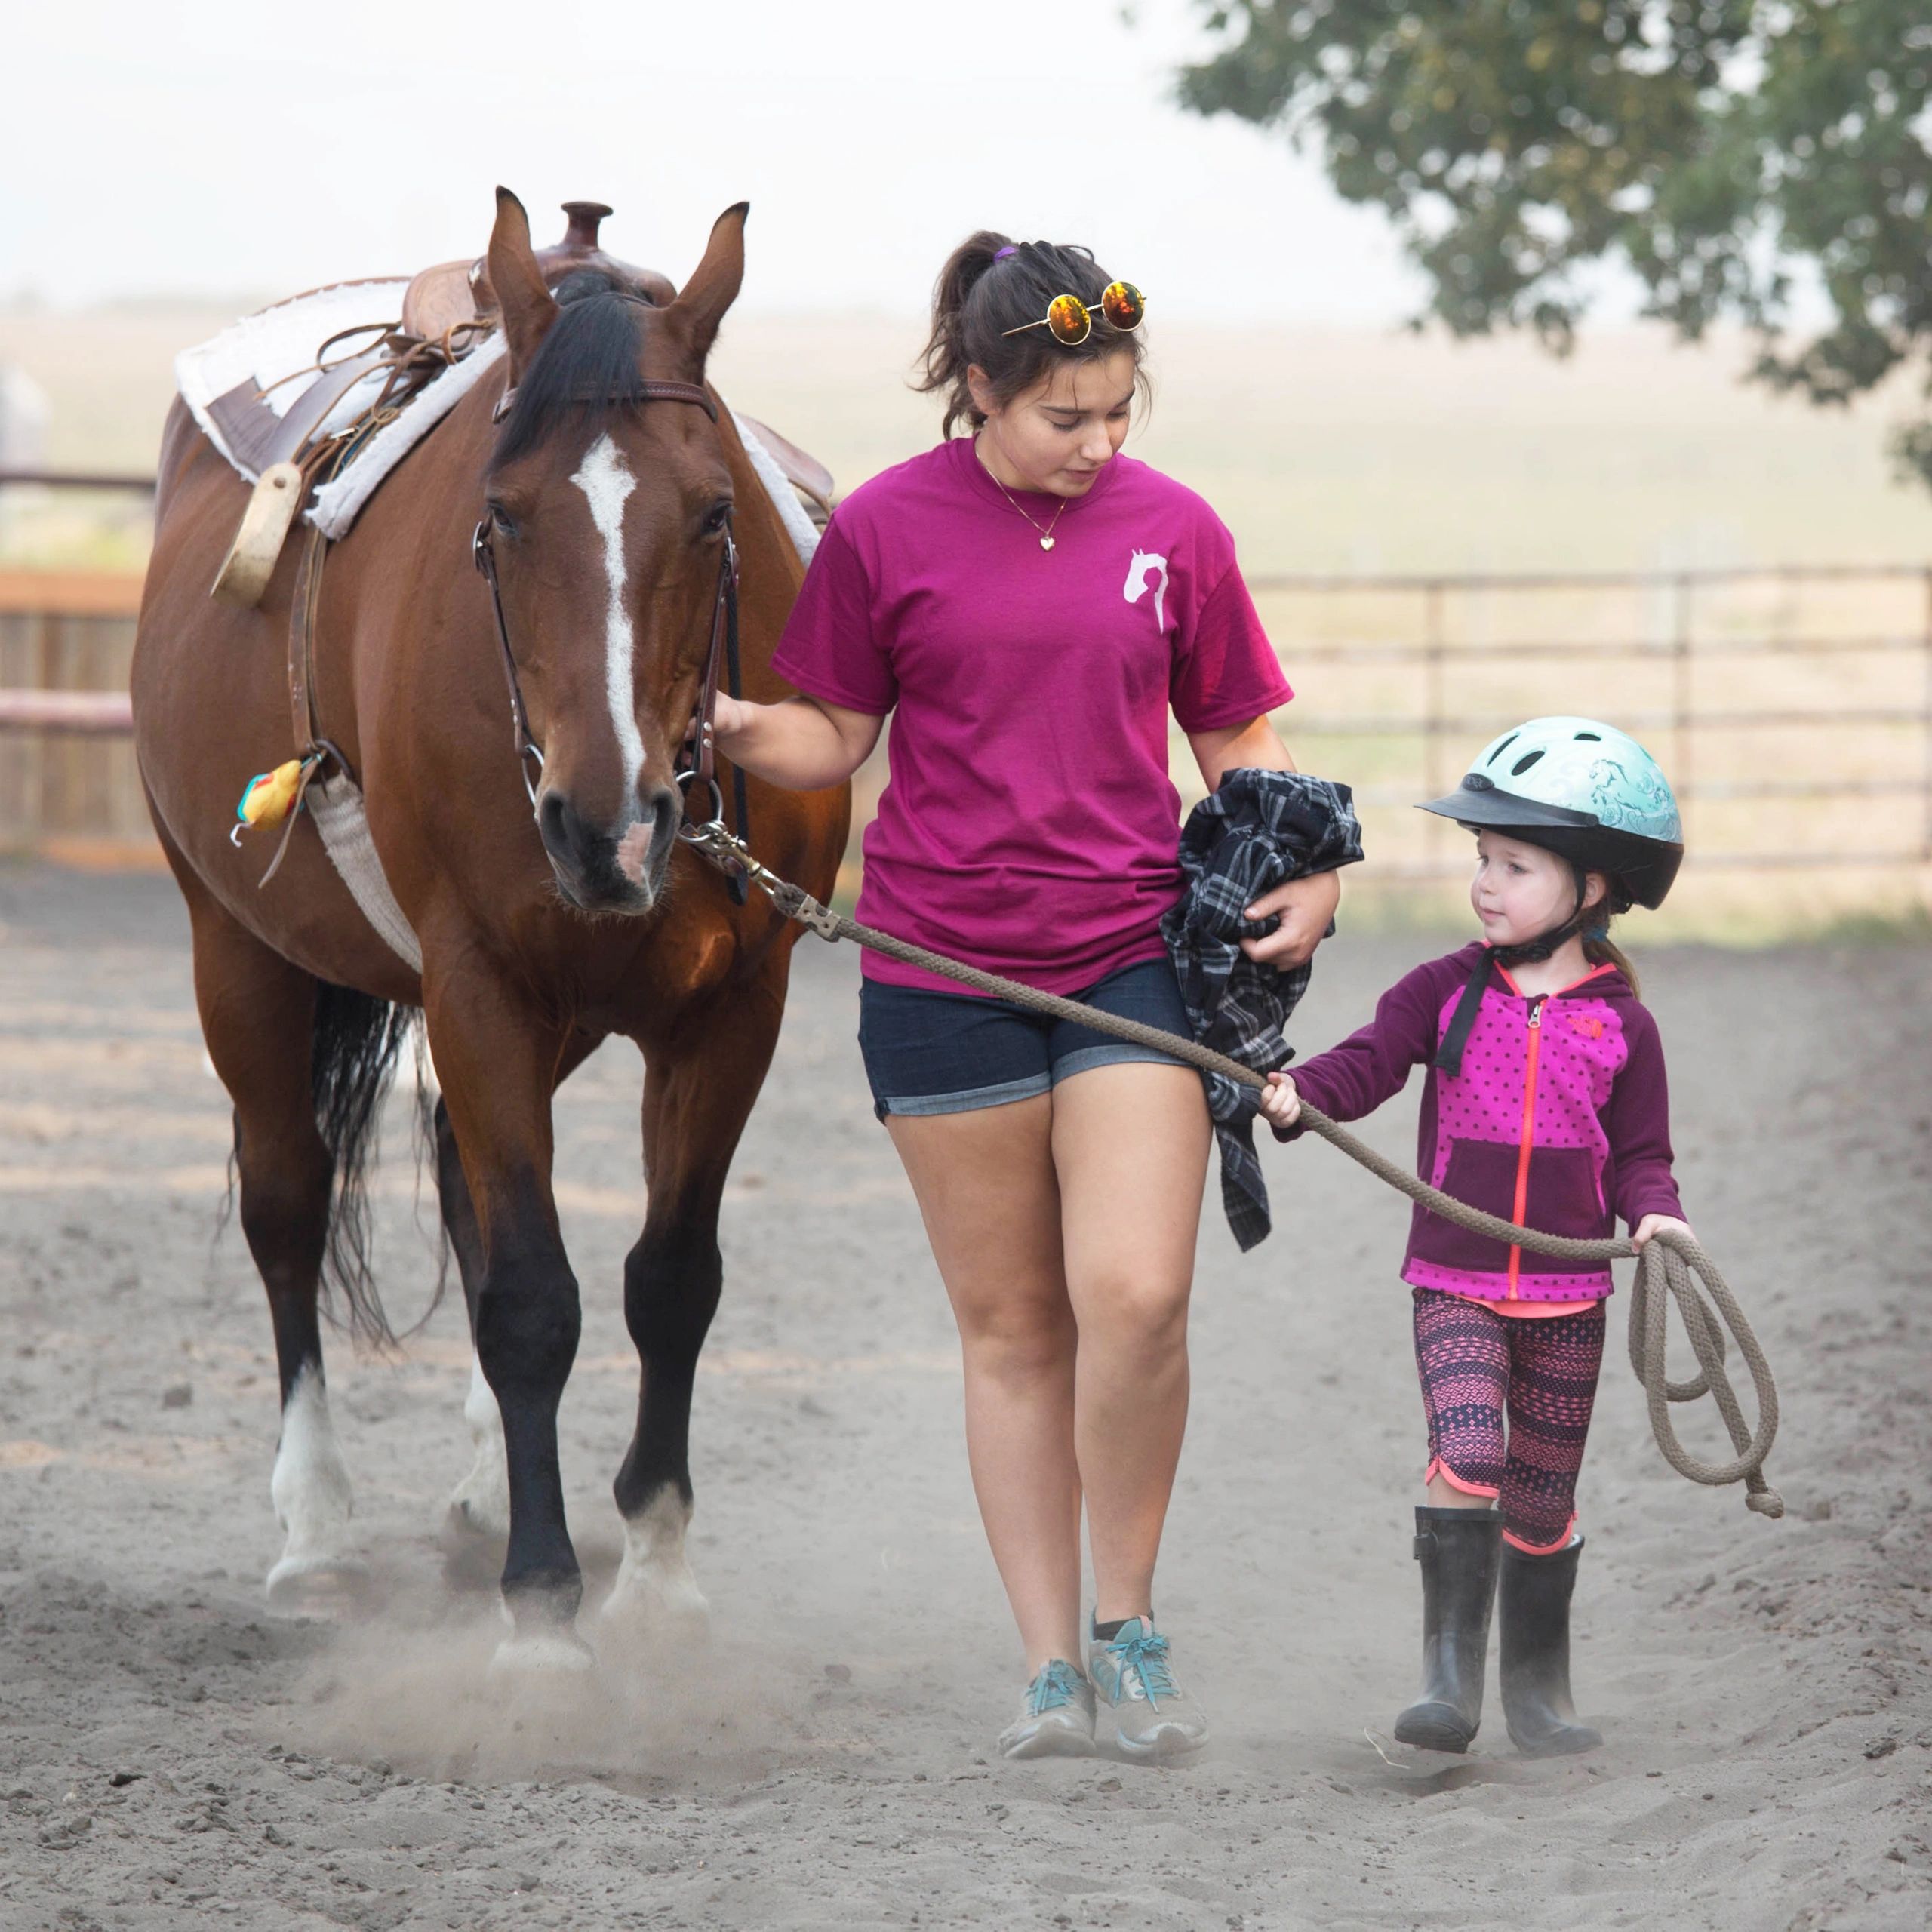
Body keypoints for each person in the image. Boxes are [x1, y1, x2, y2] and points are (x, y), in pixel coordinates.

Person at [711, 232, 1338, 1761]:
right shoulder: (878, 528)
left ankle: (1132, 1625)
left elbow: (1235, 729)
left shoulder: (1174, 529)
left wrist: (1304, 864)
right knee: (1011, 1329)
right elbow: (832, 737)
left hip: (1130, 953)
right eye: (1067, 417)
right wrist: (719, 723)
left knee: (1136, 1293)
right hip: (940, 966)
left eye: (1118, 412)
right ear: (980, 388)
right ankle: (1048, 1662)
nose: (1099, 444)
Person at [1258, 717, 1691, 1757]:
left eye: (1516, 865)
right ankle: (1448, 1685)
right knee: (1469, 1451)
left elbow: (1641, 1154)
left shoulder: (1623, 1026)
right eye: (1482, 862)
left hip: (1570, 1299)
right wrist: (1297, 1091)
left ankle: (1538, 1695)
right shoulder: (1445, 991)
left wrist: (1657, 1214)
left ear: (1591, 889)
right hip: (1452, 1278)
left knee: (1542, 1495)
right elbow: (1366, 1063)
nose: (1487, 885)